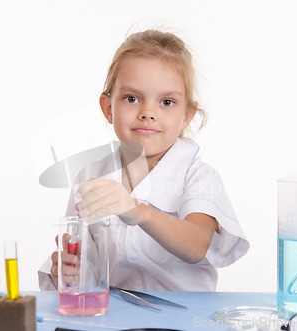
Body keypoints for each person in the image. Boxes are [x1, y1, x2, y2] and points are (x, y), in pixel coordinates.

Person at [38, 29, 249, 291]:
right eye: (132, 98)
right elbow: (88, 267)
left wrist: (138, 211)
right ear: (108, 108)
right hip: (116, 318)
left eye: (167, 102)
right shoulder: (91, 177)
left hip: (183, 320)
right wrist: (70, 272)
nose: (148, 112)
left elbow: (196, 246)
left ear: (187, 115)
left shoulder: (198, 176)